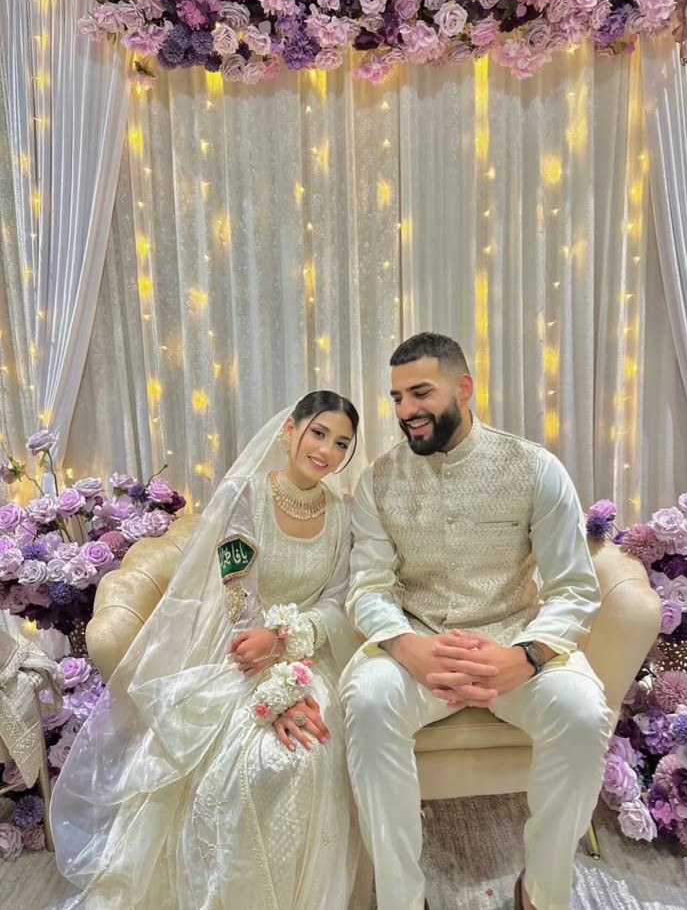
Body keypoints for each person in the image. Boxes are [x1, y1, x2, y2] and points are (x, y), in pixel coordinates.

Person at [50, 391, 369, 910]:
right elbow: (236, 591)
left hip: (312, 655)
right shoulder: (247, 496)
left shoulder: (342, 514)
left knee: (310, 752)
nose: (327, 451)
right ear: (290, 430)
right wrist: (268, 677)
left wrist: (288, 645)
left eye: (341, 443)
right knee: (255, 758)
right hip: (239, 650)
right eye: (318, 433)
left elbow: (337, 602)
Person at [341, 333, 613, 910]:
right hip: (417, 649)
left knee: (584, 716)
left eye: (420, 392)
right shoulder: (377, 480)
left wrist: (526, 656)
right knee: (366, 704)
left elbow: (574, 588)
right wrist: (406, 645)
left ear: (464, 388)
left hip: (514, 644)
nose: (406, 411)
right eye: (395, 398)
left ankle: (540, 892)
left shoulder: (534, 468)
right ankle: (400, 898)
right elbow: (366, 586)